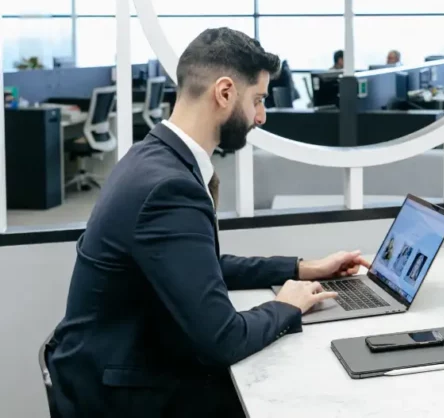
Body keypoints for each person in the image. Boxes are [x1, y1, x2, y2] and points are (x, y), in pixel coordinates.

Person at [46, 28, 371, 418]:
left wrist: (302, 267)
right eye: (258, 100)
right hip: (125, 396)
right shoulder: (168, 187)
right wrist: (287, 306)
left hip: (111, 368)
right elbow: (223, 339)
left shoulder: (151, 157)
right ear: (224, 93)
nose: (261, 117)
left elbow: (198, 266)